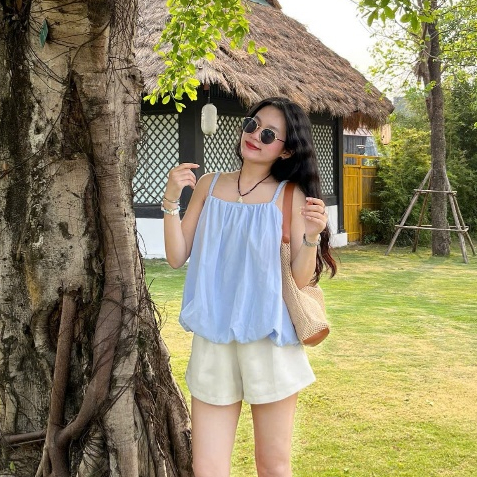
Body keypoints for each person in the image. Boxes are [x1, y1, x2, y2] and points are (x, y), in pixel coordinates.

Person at [162, 97, 337, 477]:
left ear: (286, 150)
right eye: (252, 125)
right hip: (213, 338)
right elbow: (176, 256)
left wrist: (311, 236)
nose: (255, 135)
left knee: (272, 465)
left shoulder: (289, 195)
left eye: (269, 134)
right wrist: (171, 200)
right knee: (207, 467)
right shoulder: (209, 185)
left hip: (269, 340)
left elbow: (300, 279)